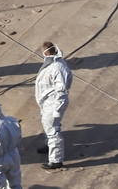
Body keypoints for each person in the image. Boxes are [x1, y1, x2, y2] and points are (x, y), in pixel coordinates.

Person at [35, 41, 72, 170]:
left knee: (53, 130)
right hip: (47, 102)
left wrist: (57, 108)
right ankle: (49, 145)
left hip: (53, 103)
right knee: (48, 126)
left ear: (45, 52)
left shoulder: (57, 67)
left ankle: (56, 160)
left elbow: (61, 89)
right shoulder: (52, 64)